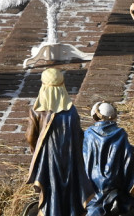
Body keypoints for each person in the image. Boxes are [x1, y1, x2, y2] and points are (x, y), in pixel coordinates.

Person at [25, 68, 95, 216]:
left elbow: (31, 136)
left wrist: (34, 151)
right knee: (70, 186)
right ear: (62, 85)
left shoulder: (37, 111)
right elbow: (79, 135)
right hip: (69, 157)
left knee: (51, 186)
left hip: (48, 159)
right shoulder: (71, 111)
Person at [82, 102, 134, 216]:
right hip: (114, 182)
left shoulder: (88, 133)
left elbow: (83, 158)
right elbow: (129, 157)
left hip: (92, 182)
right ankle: (118, 201)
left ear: (95, 116)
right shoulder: (120, 133)